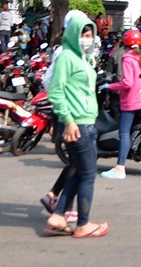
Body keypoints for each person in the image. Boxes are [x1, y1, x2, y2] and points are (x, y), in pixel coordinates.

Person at [45, 15, 109, 238]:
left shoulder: (84, 58)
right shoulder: (66, 58)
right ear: (73, 34)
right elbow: (56, 91)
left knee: (82, 171)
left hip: (88, 123)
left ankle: (59, 213)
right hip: (77, 124)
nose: (87, 38)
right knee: (89, 174)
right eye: (83, 34)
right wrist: (69, 120)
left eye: (90, 34)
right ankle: (83, 224)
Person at [101, 30, 141, 179]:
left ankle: (120, 167)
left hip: (132, 101)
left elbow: (127, 83)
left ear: (125, 43)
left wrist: (109, 87)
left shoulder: (128, 58)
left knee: (124, 132)